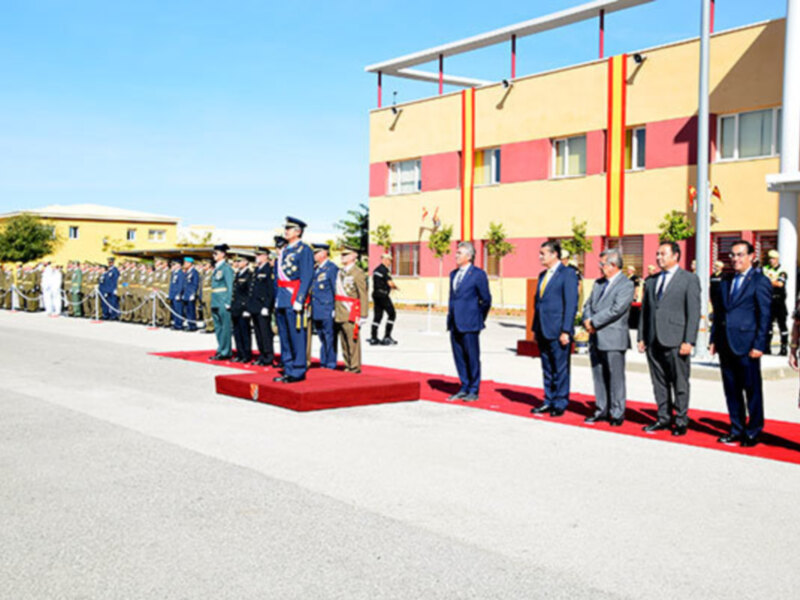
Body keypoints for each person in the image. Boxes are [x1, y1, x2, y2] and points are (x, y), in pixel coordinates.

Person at [709, 240, 772, 447]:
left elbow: (765, 315)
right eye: (733, 255)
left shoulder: (760, 281)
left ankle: (753, 430)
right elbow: (719, 313)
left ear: (752, 256)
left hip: (748, 344)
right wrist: (713, 339)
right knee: (731, 389)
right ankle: (736, 428)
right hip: (726, 343)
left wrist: (760, 344)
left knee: (752, 390)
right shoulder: (726, 280)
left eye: (740, 255)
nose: (735, 259)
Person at [637, 241, 701, 436]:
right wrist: (642, 336)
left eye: (663, 254)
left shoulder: (688, 279)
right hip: (654, 339)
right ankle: (663, 417)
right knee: (659, 382)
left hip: (676, 339)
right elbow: (645, 312)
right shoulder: (652, 281)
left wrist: (689, 340)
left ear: (675, 256)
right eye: (657, 254)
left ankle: (681, 420)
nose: (658, 258)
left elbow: (694, 311)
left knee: (680, 382)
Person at [582, 249, 635, 426]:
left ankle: (617, 412)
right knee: (598, 375)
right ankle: (601, 409)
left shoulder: (626, 285)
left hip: (613, 337)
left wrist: (594, 322)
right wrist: (587, 320)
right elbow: (588, 304)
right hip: (595, 336)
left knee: (615, 377)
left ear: (613, 265)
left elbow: (616, 309)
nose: (600, 267)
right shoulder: (598, 284)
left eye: (602, 264)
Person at [531, 240, 578, 417]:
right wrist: (535, 329)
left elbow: (571, 304)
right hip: (543, 329)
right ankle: (548, 400)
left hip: (558, 330)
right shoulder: (543, 275)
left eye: (543, 253)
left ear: (554, 254)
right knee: (547, 368)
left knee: (560, 368)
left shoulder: (567, 274)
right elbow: (539, 303)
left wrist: (566, 330)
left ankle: (560, 402)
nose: (540, 257)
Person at [446, 241, 491, 402]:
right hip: (455, 322)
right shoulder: (453, 274)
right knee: (459, 356)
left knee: (472, 356)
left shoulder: (478, 274)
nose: (456, 255)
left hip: (470, 322)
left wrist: (478, 317)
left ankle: (474, 388)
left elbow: (486, 300)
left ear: (469, 256)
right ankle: (464, 385)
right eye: (456, 252)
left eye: (459, 253)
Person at [273, 217, 314, 383]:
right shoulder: (285, 251)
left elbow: (306, 276)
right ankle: (288, 367)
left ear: (298, 231)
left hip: (294, 295)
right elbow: (278, 277)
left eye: (290, 228)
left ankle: (298, 370)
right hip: (282, 296)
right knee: (284, 336)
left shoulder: (304, 250)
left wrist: (300, 298)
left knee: (296, 335)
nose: (286, 231)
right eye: (286, 228)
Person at [335, 244, 369, 373]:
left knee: (352, 342)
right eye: (342, 254)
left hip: (351, 311)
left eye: (346, 254)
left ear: (354, 256)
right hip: (340, 310)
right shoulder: (340, 272)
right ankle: (347, 364)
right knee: (343, 341)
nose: (342, 257)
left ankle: (354, 366)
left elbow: (363, 294)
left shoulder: (357, 273)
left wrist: (363, 314)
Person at [310, 243, 338, 369]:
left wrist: (335, 308)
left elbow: (335, 289)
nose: (314, 255)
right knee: (322, 336)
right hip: (317, 308)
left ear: (324, 253)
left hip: (327, 308)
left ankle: (330, 363)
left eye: (316, 253)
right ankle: (324, 361)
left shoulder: (331, 268)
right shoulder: (316, 269)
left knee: (329, 336)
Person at [248, 247, 276, 366]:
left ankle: (268, 356)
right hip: (255, 305)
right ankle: (262, 355)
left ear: (266, 256)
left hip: (263, 306)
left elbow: (270, 290)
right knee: (258, 333)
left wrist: (267, 306)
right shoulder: (257, 270)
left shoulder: (269, 270)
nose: (257, 257)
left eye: (259, 255)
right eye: (256, 255)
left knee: (265, 333)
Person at [209, 244, 235, 361]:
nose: (214, 255)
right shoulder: (217, 268)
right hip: (215, 300)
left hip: (223, 301)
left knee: (225, 327)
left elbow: (230, 285)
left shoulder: (226, 268)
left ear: (223, 254)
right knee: (218, 327)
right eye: (213, 253)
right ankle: (220, 349)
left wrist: (228, 301)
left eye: (216, 253)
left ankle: (226, 351)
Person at [763, 249, 789, 356]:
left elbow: (780, 284)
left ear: (777, 259)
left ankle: (783, 347)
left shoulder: (782, 270)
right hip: (768, 300)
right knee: (768, 326)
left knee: (782, 325)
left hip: (779, 301)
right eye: (770, 259)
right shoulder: (765, 269)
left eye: (773, 259)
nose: (771, 261)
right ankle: (767, 347)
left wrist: (767, 281)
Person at [369, 253, 398, 346]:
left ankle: (373, 337)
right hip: (383, 295)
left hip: (375, 294)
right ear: (385, 260)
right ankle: (387, 336)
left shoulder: (376, 270)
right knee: (392, 314)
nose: (390, 263)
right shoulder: (385, 270)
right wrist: (395, 287)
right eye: (389, 260)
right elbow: (390, 283)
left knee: (378, 316)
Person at [230, 254, 253, 363]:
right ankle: (240, 353)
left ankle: (246, 354)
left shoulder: (249, 275)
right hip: (236, 306)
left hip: (243, 307)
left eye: (240, 261)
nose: (237, 264)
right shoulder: (238, 274)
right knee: (237, 332)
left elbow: (249, 293)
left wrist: (248, 309)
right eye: (237, 261)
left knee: (245, 332)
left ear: (246, 262)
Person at [182, 257, 200, 331]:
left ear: (190, 263)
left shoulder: (194, 272)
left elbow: (195, 283)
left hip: (190, 294)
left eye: (186, 263)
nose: (184, 264)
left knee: (191, 310)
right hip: (186, 294)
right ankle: (189, 324)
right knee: (187, 310)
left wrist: (193, 293)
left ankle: (192, 326)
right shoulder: (187, 272)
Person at [167, 260, 185, 330]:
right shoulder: (174, 273)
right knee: (174, 310)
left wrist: (179, 293)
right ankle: (175, 323)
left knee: (178, 310)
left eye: (174, 264)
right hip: (173, 294)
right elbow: (172, 285)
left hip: (177, 295)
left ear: (179, 265)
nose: (172, 266)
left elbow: (181, 285)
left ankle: (179, 324)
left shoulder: (181, 273)